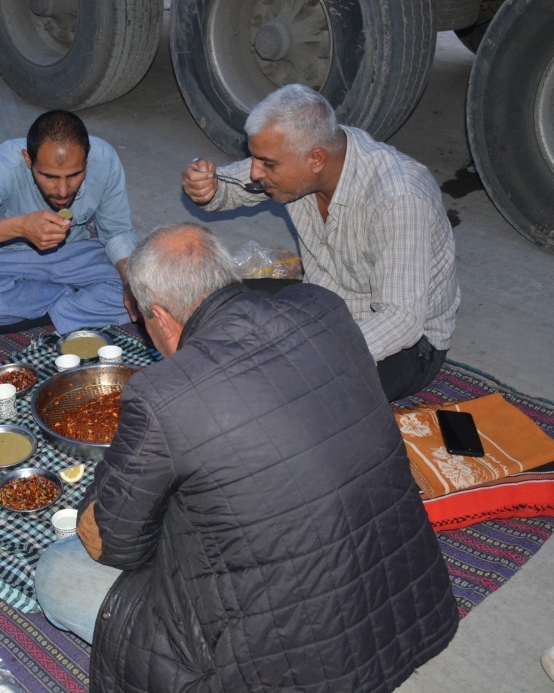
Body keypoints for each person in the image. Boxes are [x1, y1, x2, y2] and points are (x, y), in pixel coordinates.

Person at [35, 224, 459, 692]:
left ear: (160, 316)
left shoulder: (162, 395)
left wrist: (111, 482)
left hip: (287, 669)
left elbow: (115, 545)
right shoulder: (323, 307)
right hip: (406, 614)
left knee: (59, 569)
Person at [182, 84, 460, 402]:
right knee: (206, 306)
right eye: (255, 158)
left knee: (295, 398)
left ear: (316, 159)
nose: (256, 172)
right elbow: (229, 187)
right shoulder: (303, 152)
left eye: (268, 164)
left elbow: (401, 321)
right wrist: (208, 187)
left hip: (407, 345)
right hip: (322, 307)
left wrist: (311, 354)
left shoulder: (398, 198)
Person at [0, 110, 138, 344]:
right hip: (6, 257)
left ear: (87, 157)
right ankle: (78, 302)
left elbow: (117, 232)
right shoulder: (5, 164)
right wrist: (20, 227)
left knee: (145, 290)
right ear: (28, 160)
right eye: (49, 176)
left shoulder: (105, 159)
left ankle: (42, 313)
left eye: (74, 175)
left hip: (75, 250)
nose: (63, 191)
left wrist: (131, 283)